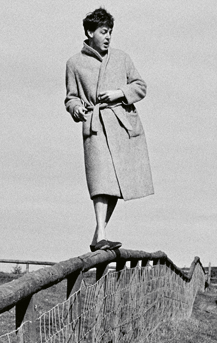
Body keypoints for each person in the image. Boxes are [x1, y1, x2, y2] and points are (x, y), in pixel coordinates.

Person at [65, 7, 154, 252]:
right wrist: (76, 110)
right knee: (100, 182)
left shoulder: (122, 58)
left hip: (122, 128)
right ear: (89, 31)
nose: (108, 37)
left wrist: (119, 93)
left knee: (114, 186)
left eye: (110, 32)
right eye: (104, 32)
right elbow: (71, 98)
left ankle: (98, 236)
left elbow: (140, 86)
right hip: (95, 127)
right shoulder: (74, 63)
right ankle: (102, 234)